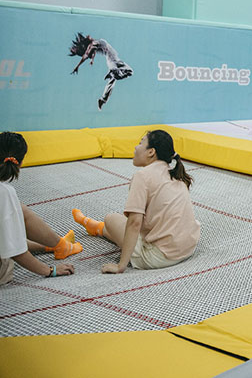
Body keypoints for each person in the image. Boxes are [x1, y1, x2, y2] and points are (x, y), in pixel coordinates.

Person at [72, 130, 200, 273]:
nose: (135, 147)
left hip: (161, 257)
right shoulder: (174, 173)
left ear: (151, 152)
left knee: (111, 219)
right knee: (122, 225)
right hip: (188, 247)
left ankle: (99, 228)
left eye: (140, 143)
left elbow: (134, 223)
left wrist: (121, 266)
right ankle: (97, 228)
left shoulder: (143, 176)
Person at [1, 132, 78, 284]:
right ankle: (60, 246)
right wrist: (50, 270)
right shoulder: (4, 192)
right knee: (12, 218)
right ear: (20, 163)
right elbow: (15, 251)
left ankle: (54, 245)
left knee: (17, 211)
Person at [69, 33, 133, 110]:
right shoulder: (92, 45)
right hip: (112, 61)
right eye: (88, 37)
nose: (89, 36)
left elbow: (93, 52)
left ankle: (102, 100)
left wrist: (92, 60)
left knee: (113, 80)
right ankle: (113, 73)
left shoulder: (94, 44)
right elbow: (86, 55)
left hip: (116, 60)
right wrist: (77, 66)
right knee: (128, 71)